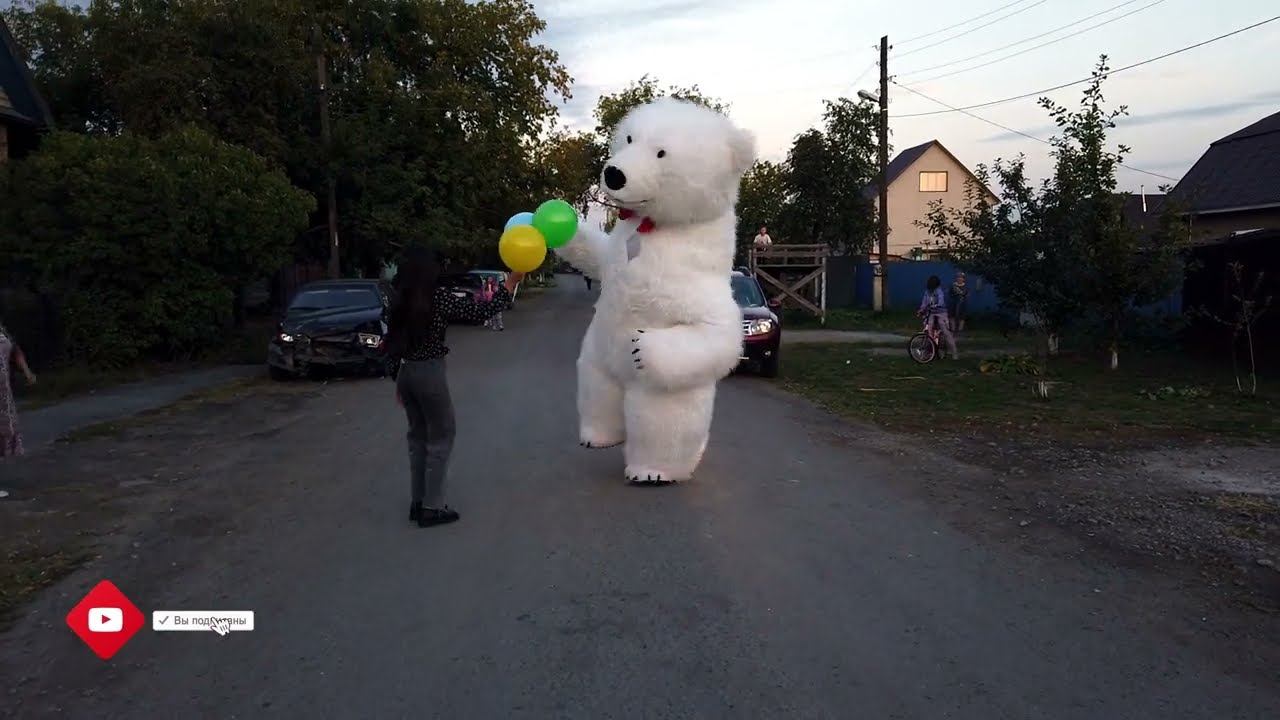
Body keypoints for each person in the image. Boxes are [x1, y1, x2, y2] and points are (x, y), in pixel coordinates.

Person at [385, 247, 521, 527]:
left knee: (418, 438)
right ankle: (432, 507)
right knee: (441, 435)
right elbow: (480, 311)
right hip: (429, 372)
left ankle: (418, 501)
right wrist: (509, 284)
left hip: (406, 371)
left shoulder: (399, 299)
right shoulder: (438, 298)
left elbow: (392, 342)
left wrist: (398, 378)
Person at [0, 322, 37, 458]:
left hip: (4, 391)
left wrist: (27, 372)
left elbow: (15, 351)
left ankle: (10, 458)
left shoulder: (2, 331)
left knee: (7, 423)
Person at [918, 275, 958, 359]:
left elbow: (941, 300)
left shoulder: (939, 291)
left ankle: (954, 352)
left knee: (945, 331)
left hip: (941, 312)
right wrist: (921, 309)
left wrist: (936, 305)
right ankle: (928, 352)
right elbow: (924, 302)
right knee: (929, 330)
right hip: (931, 312)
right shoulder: (927, 292)